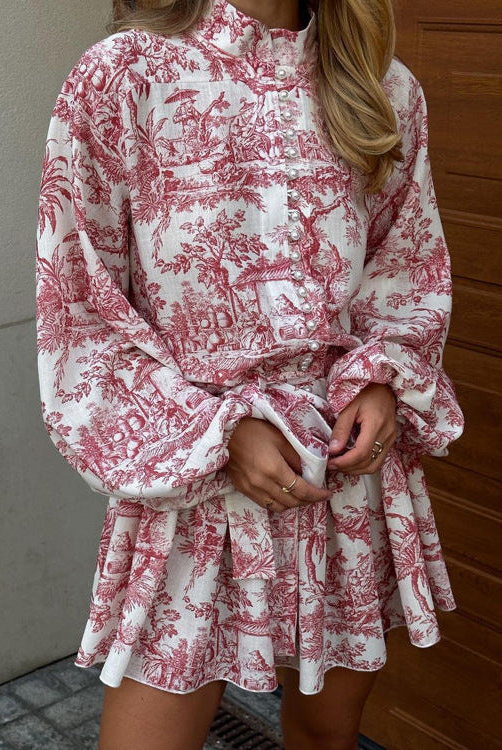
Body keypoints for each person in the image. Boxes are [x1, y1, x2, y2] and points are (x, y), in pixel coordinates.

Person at [35, 0, 465, 747]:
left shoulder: (381, 86)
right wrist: (220, 434)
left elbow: (406, 267)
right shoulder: (123, 77)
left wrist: (382, 380)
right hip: (192, 476)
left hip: (339, 470)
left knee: (327, 734)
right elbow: (80, 304)